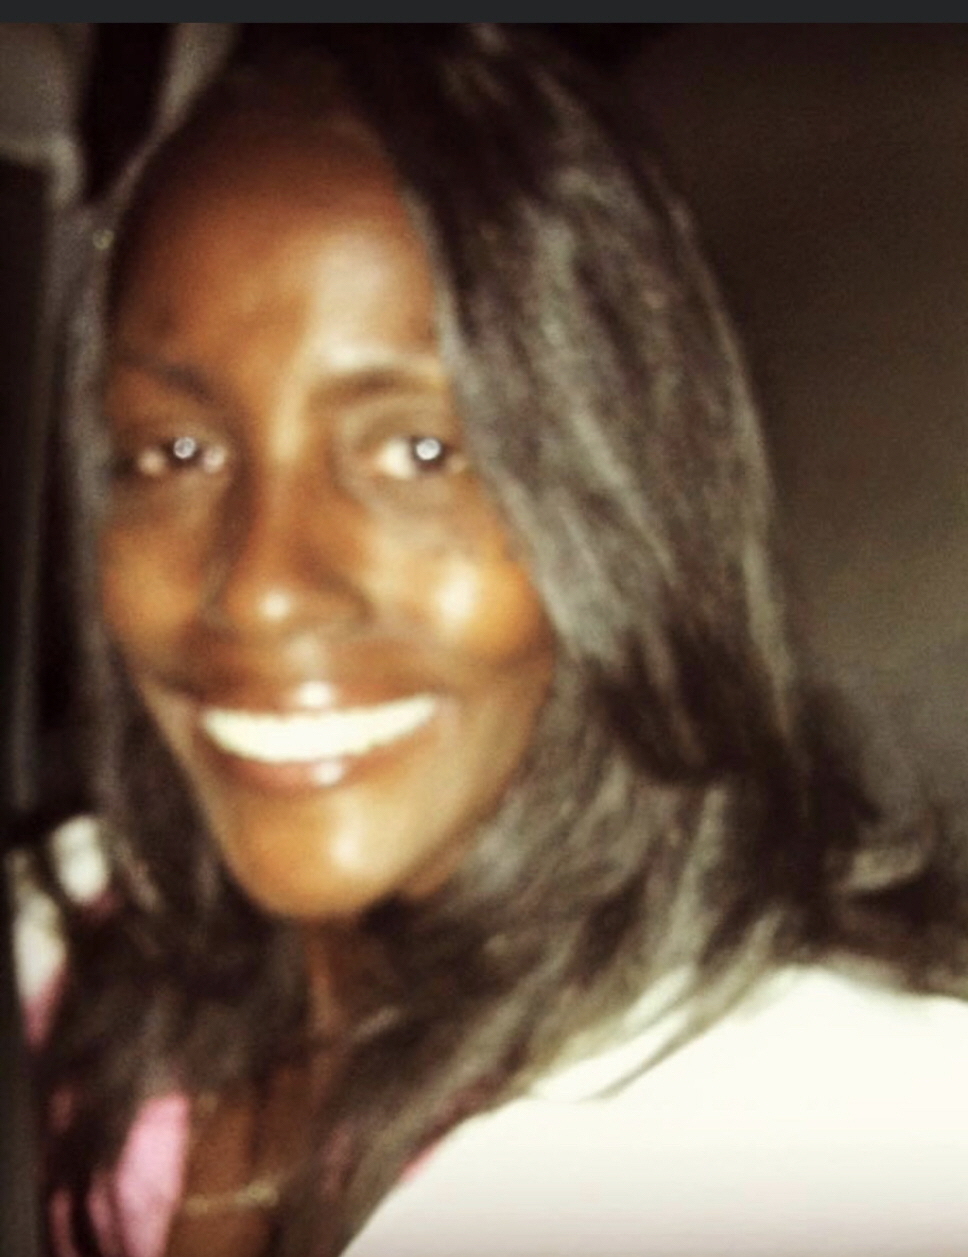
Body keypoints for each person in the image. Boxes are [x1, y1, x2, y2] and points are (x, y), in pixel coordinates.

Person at [21, 24, 968, 1257]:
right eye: (176, 451)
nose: (259, 592)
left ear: (621, 495)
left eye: (419, 450)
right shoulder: (73, 952)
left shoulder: (829, 1137)